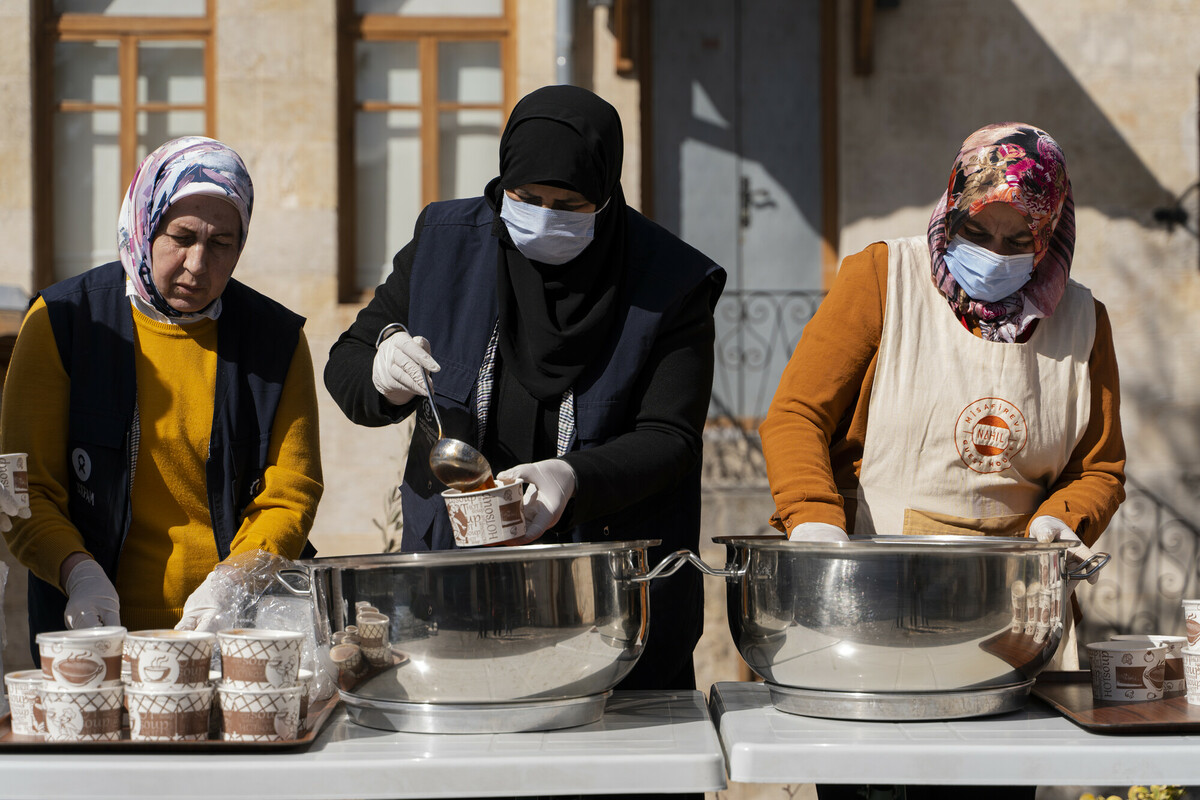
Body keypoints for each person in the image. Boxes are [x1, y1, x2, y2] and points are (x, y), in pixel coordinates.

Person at [759, 123, 1125, 800]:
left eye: (1022, 242)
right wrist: (811, 520)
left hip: (1007, 633)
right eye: (980, 231)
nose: (995, 255)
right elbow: (796, 416)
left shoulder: (1083, 323)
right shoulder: (881, 278)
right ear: (955, 203)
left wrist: (1060, 520)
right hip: (872, 612)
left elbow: (1099, 467)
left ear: (1052, 235)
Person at [324, 85, 726, 692]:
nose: (543, 216)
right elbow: (347, 364)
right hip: (453, 600)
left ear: (607, 195)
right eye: (524, 197)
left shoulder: (670, 282)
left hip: (607, 609)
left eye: (567, 203)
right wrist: (383, 373)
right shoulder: (444, 245)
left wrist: (573, 479)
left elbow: (670, 438)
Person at [1, 136, 323, 652]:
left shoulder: (275, 341)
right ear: (144, 222)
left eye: (222, 244)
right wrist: (77, 572)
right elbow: (24, 489)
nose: (198, 263)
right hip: (91, 630)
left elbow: (291, 492)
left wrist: (232, 583)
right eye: (181, 236)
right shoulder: (64, 322)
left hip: (233, 629)